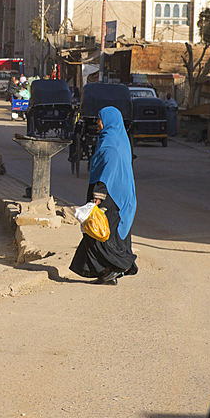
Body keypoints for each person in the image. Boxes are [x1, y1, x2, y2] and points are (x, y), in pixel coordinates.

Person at [68, 106, 138, 285]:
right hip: (117, 195)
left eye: (100, 119)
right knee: (99, 232)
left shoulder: (111, 142)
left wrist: (98, 195)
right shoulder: (116, 138)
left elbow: (109, 169)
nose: (98, 123)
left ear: (108, 121)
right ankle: (108, 271)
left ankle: (119, 266)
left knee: (101, 233)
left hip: (112, 196)